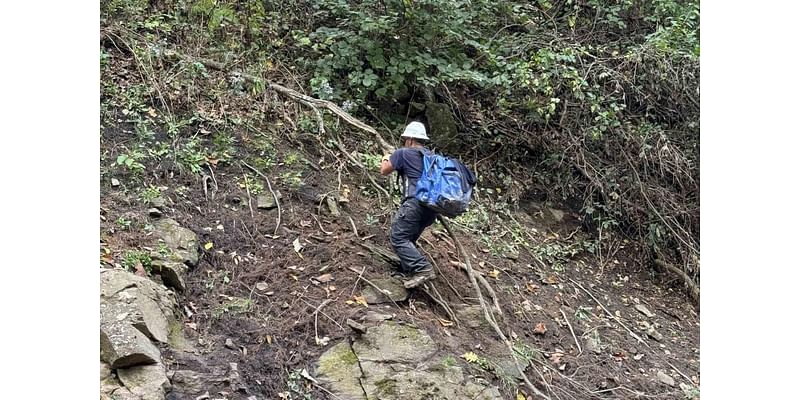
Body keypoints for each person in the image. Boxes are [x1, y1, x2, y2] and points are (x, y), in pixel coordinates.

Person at [379, 121, 438, 288]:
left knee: (398, 237)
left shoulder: (404, 153)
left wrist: (386, 157)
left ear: (410, 139)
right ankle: (407, 273)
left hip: (414, 204)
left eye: (405, 139)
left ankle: (423, 268)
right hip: (431, 209)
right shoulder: (430, 157)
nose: (405, 142)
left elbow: (384, 171)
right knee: (409, 238)